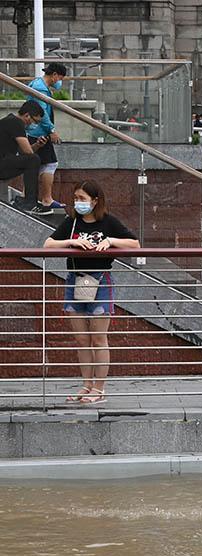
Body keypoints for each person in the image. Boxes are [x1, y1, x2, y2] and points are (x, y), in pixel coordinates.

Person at [42, 180, 140, 405]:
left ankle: (99, 388)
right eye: (76, 198)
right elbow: (48, 244)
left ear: (95, 201)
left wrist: (110, 241)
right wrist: (70, 243)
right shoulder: (72, 222)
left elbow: (134, 244)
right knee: (81, 338)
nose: (78, 203)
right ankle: (86, 384)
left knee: (98, 338)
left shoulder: (108, 222)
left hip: (100, 281)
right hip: (74, 280)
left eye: (82, 199)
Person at [26, 62, 67, 214]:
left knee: (36, 166)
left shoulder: (38, 84)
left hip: (35, 130)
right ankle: (46, 199)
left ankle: (30, 197)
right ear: (54, 74)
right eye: (60, 78)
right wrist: (52, 131)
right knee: (50, 164)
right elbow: (41, 113)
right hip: (39, 132)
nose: (59, 81)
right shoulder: (40, 88)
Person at [0, 100, 46, 213]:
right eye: (35, 121)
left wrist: (37, 145)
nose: (34, 125)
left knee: (32, 160)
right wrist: (32, 150)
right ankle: (30, 202)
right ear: (27, 116)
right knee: (34, 160)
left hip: (4, 162)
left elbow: (24, 153)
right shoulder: (16, 123)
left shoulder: (10, 121)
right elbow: (29, 154)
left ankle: (28, 201)